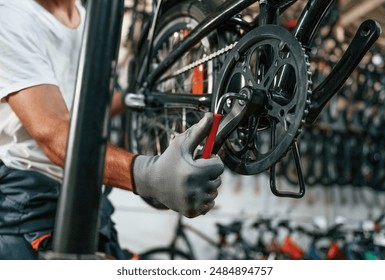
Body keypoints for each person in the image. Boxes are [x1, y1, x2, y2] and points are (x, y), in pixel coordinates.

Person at [0, 0, 224, 259]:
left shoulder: (86, 17)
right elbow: (53, 132)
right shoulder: (10, 17)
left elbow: (87, 115)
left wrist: (135, 94)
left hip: (91, 198)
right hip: (30, 207)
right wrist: (147, 175)